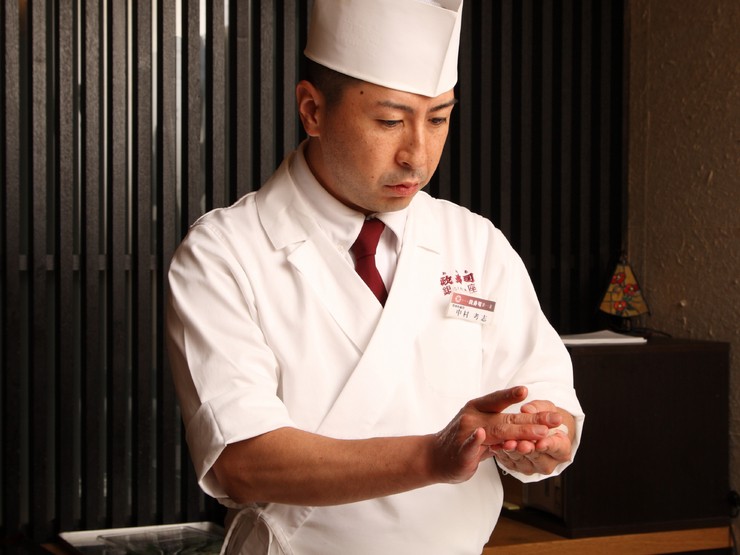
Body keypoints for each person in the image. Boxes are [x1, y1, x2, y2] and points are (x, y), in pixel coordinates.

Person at [166, 0, 584, 553]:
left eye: (438, 119)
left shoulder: (474, 242)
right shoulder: (223, 253)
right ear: (312, 110)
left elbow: (544, 387)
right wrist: (432, 457)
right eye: (390, 122)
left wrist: (544, 435)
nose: (417, 155)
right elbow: (242, 461)